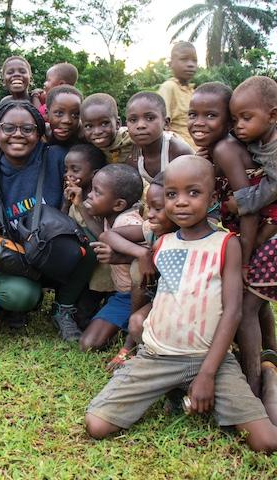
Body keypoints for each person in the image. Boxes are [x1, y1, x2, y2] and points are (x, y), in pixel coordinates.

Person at [85, 155, 277, 454]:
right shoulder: (161, 243)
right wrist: (142, 254)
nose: (181, 202)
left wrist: (207, 374)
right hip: (157, 355)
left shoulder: (227, 245)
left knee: (266, 442)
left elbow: (233, 312)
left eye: (194, 192)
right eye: (172, 194)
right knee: (97, 425)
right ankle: (176, 387)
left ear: (212, 197)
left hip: (209, 358)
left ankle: (266, 376)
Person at [0, 100, 96, 341]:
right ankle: (19, 303)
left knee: (92, 246)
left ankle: (64, 308)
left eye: (28, 129)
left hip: (55, 249)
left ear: (39, 133)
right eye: (9, 128)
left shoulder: (59, 159)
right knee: (17, 295)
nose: (18, 135)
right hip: (16, 259)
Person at [189, 81, 277, 397]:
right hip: (261, 236)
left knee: (245, 308)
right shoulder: (229, 146)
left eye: (210, 116)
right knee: (258, 300)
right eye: (193, 114)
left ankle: (252, 383)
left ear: (226, 121)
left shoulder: (226, 148)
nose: (198, 123)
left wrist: (244, 256)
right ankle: (269, 357)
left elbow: (250, 210)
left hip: (261, 238)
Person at [102, 173, 178, 369]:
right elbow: (107, 235)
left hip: (182, 307)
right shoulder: (152, 229)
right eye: (149, 207)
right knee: (138, 269)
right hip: (156, 299)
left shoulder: (191, 238)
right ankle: (130, 345)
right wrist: (142, 253)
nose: (150, 214)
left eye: (158, 209)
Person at [78, 164, 143, 351]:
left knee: (90, 344)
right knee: (87, 340)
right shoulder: (110, 216)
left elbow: (153, 257)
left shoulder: (129, 222)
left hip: (138, 297)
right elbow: (102, 234)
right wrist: (79, 206)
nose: (90, 195)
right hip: (121, 295)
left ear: (119, 204)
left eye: (97, 192)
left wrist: (120, 257)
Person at [62, 144, 111, 327]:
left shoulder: (99, 200)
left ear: (94, 173)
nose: (68, 174)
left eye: (75, 169)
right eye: (66, 169)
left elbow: (102, 235)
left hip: (99, 268)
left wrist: (81, 204)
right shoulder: (71, 191)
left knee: (86, 315)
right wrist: (67, 202)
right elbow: (61, 220)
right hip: (78, 261)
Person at [229, 76, 277, 218]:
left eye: (246, 118)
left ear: (272, 116)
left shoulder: (274, 150)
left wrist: (242, 202)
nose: (239, 125)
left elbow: (274, 188)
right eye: (234, 120)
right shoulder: (257, 136)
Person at [126, 92, 194, 182]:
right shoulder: (132, 159)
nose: (140, 125)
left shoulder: (179, 152)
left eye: (150, 118)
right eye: (133, 120)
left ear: (166, 123)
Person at [158, 41, 198, 150]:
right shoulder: (169, 87)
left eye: (194, 60)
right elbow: (160, 126)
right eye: (184, 59)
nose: (191, 64)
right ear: (171, 64)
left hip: (199, 147)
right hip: (179, 151)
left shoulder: (194, 92)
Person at [81, 93, 134, 164]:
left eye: (104, 124)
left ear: (117, 124)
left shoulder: (132, 140)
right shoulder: (87, 147)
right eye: (89, 126)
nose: (97, 132)